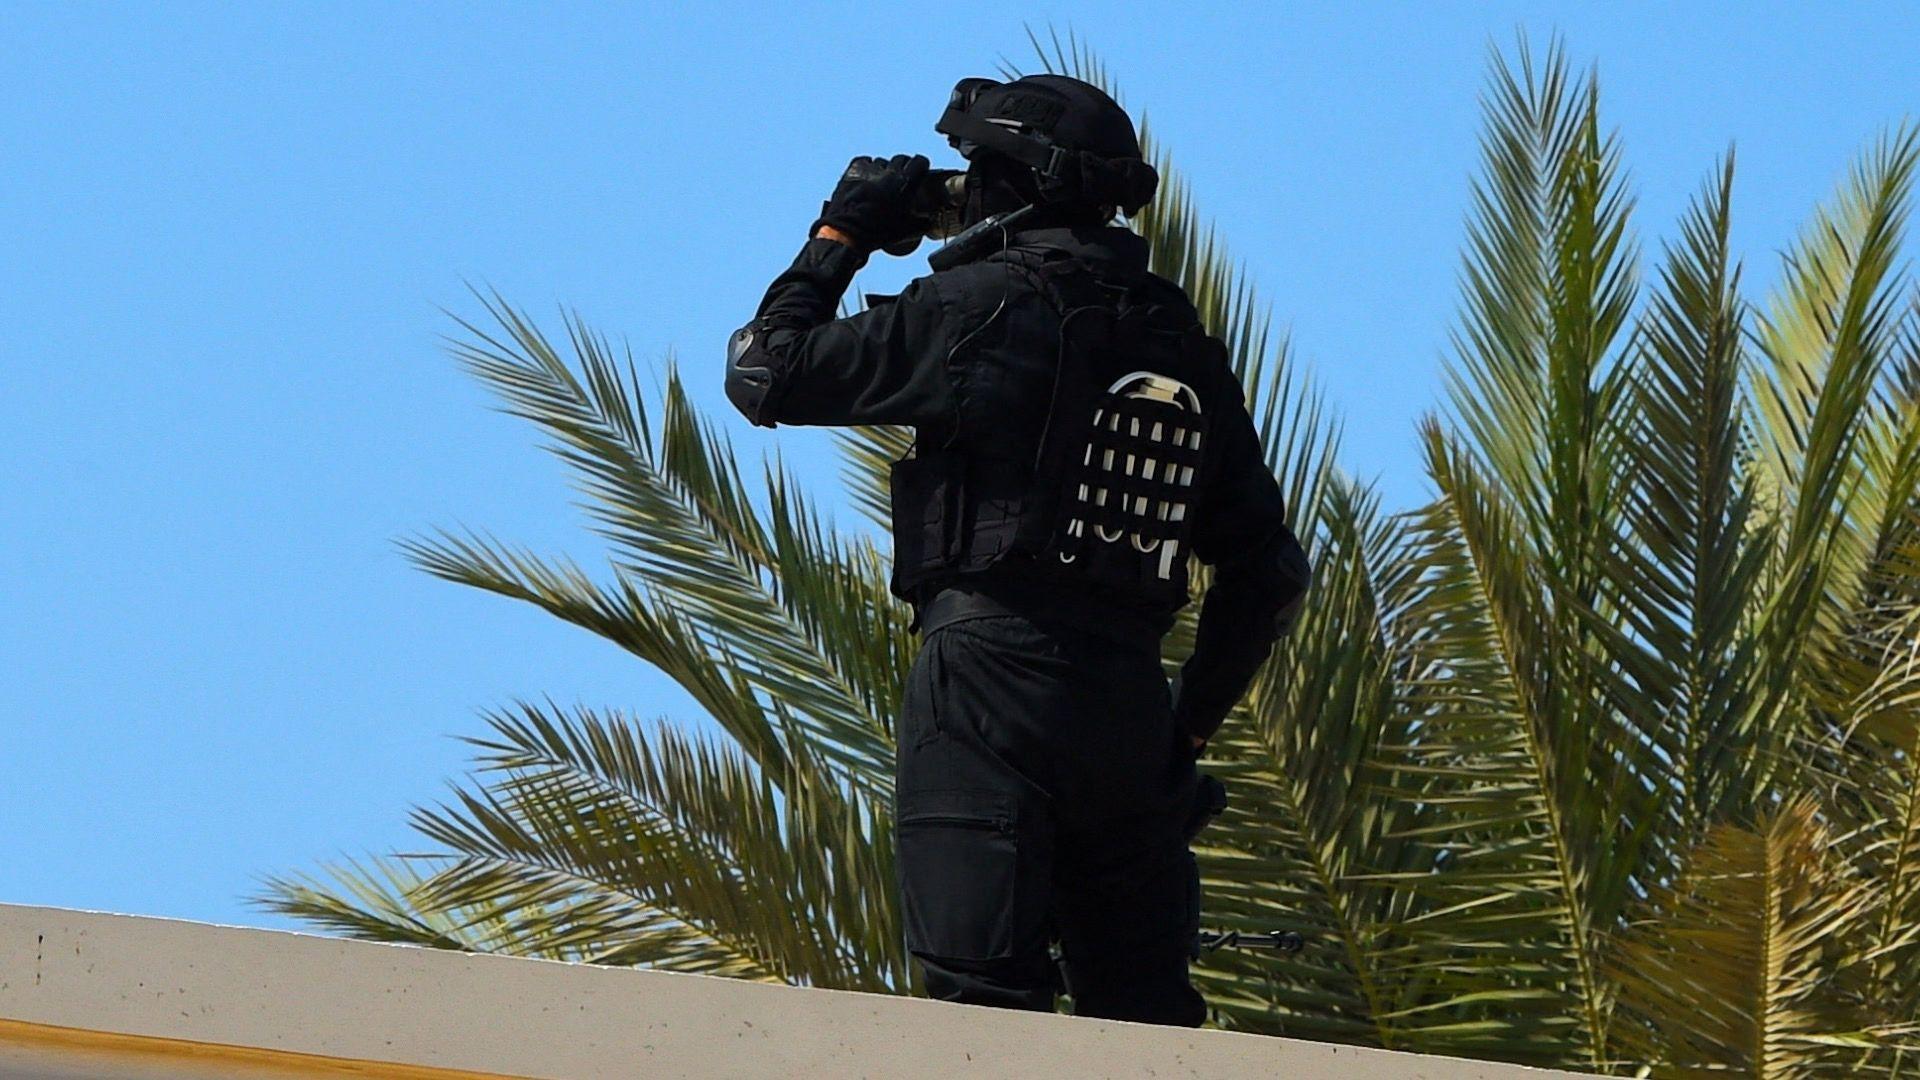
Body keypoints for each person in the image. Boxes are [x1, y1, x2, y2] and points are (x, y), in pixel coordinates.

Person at [724, 74, 1309, 1027]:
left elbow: (763, 373)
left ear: (1011, 181)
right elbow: (1270, 573)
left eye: (975, 169)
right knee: (1146, 1019)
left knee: (982, 1013)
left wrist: (842, 232)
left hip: (986, 681)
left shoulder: (975, 307)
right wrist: (1180, 738)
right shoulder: (1178, 338)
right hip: (1127, 705)